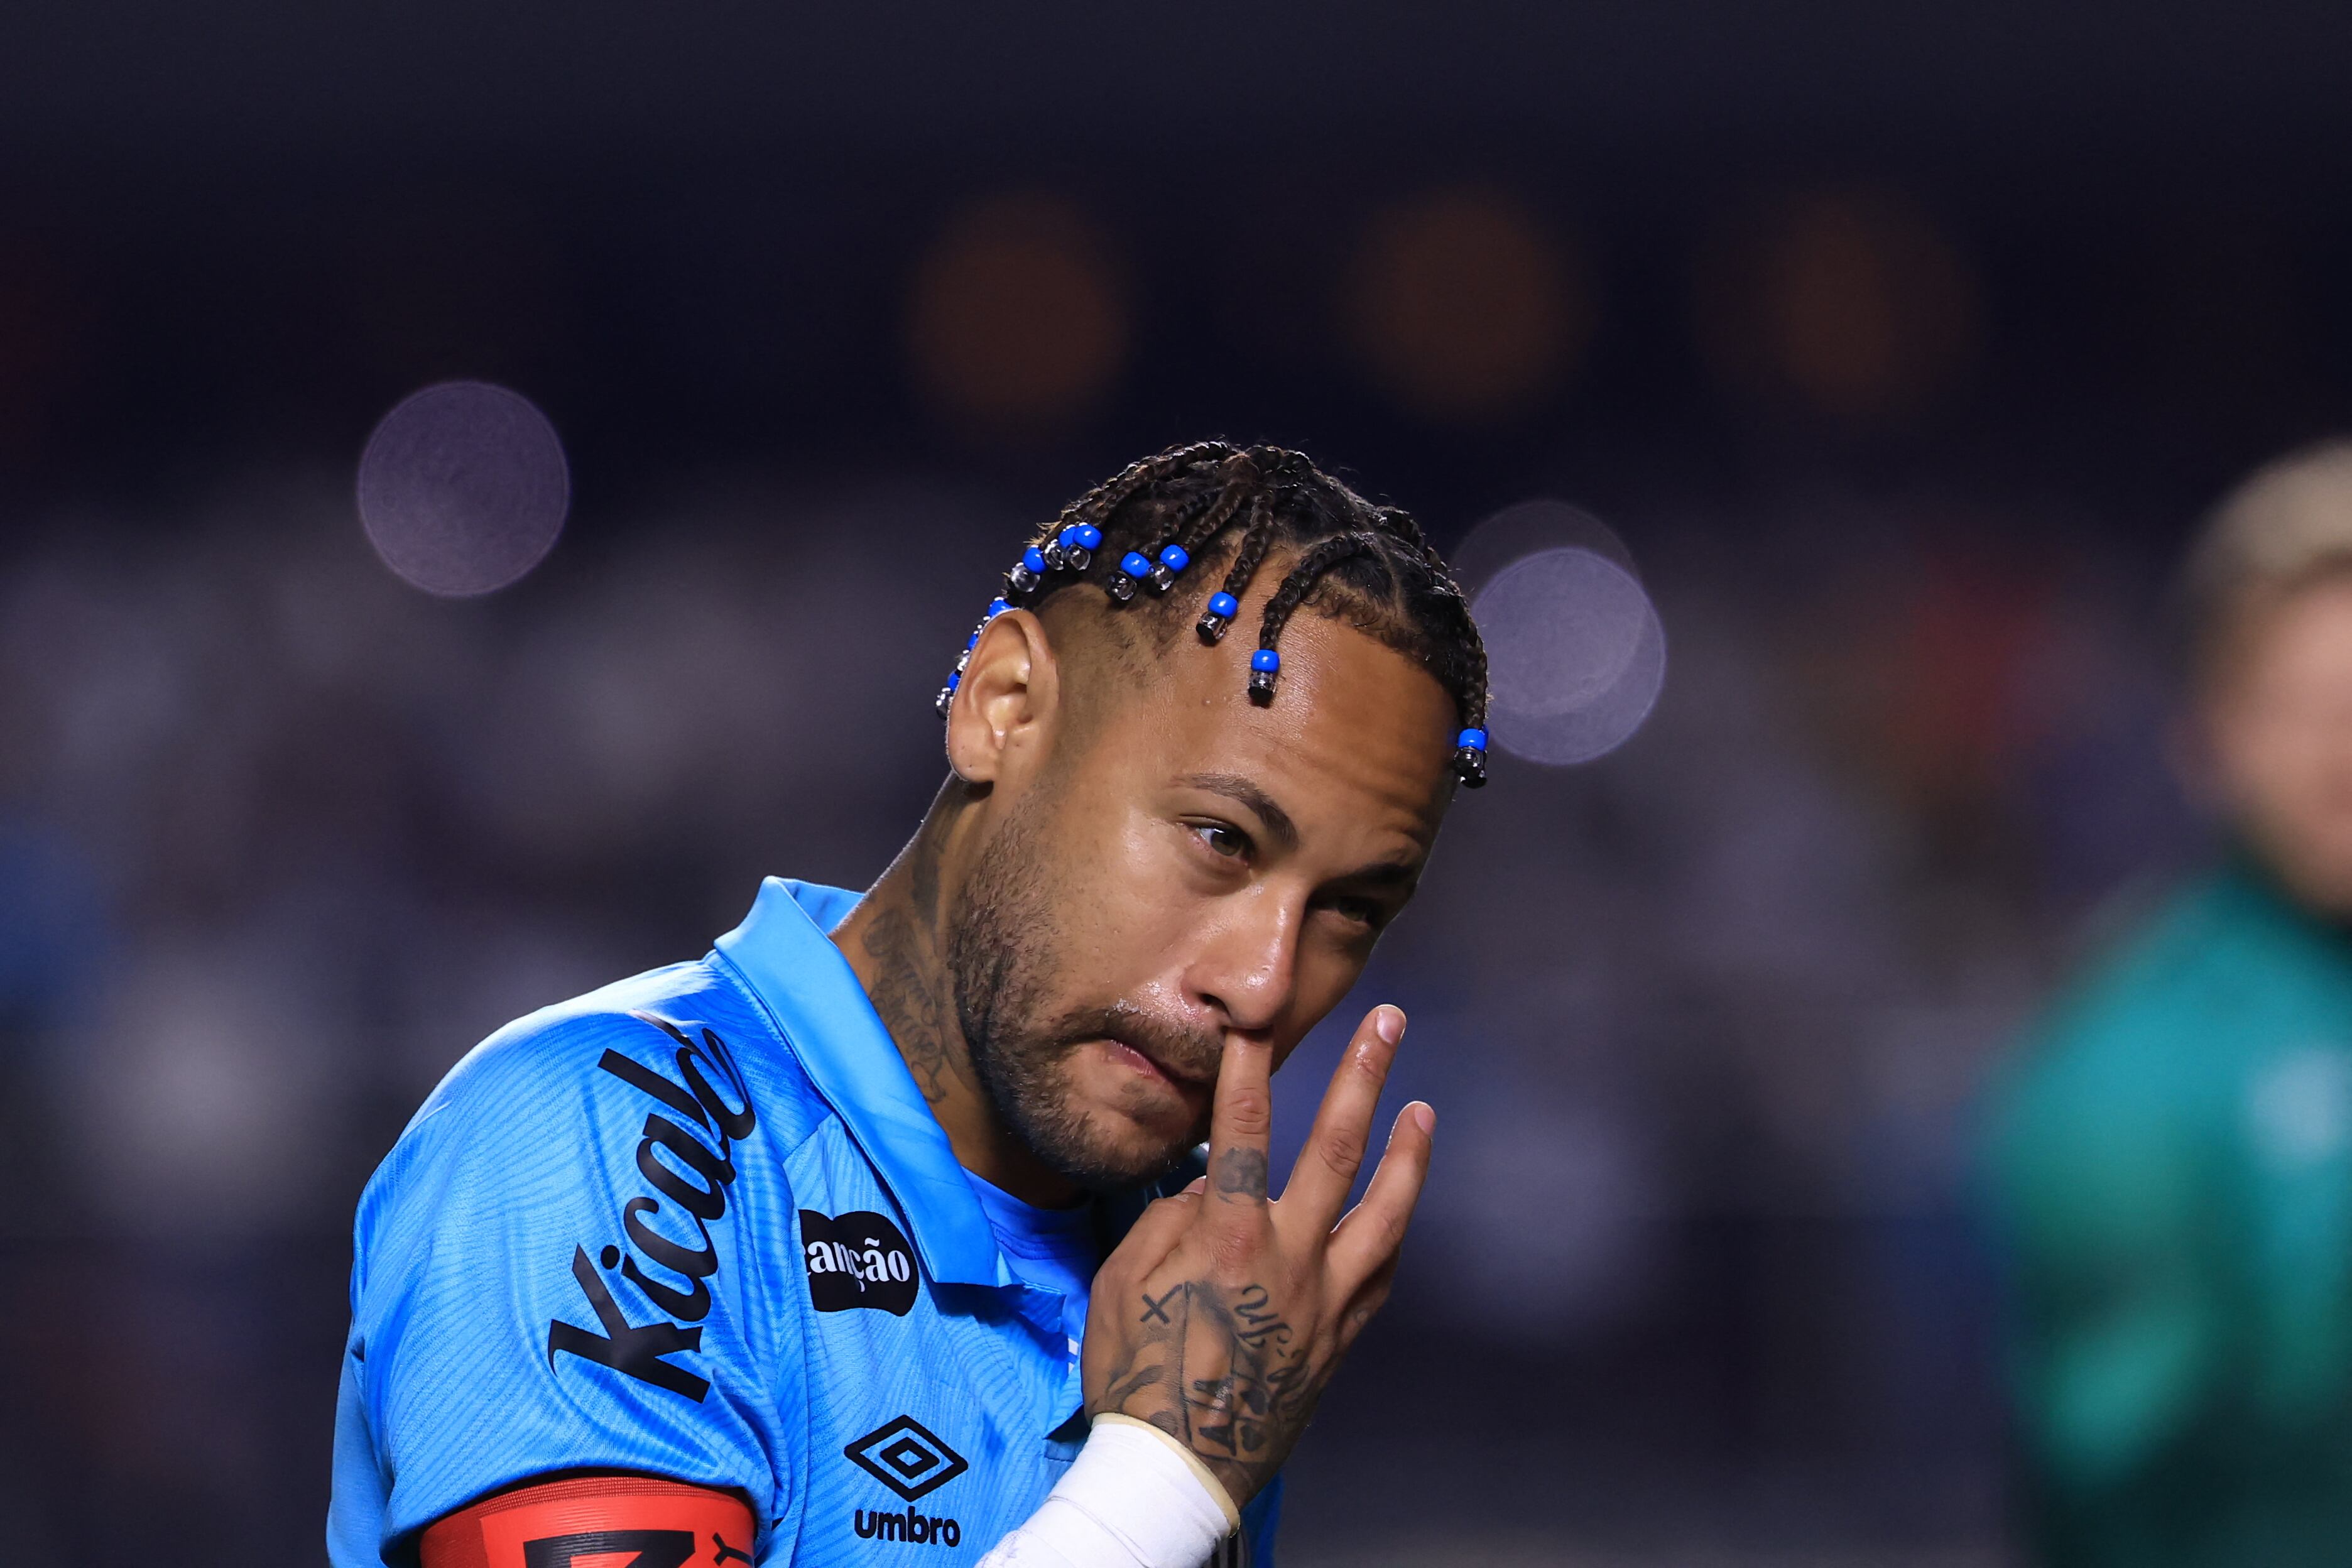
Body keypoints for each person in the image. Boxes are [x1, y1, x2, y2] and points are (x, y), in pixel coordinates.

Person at [325, 441, 1495, 1568]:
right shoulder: (600, 1138)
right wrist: (1159, 1482)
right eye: (1219, 838)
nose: (1263, 982)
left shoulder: (1197, 1297)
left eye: (1350, 909)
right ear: (1004, 706)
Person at [1986, 440, 2352, 1566]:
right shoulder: (2129, 1066)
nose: (2348, 747)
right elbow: (2112, 1479)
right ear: (2208, 740)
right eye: (2303, 705)